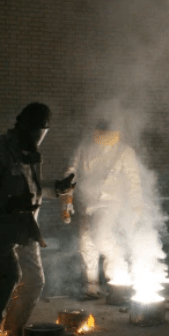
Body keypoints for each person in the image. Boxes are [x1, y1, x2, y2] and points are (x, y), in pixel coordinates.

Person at [0, 103, 76, 336]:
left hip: (25, 227)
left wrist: (57, 189)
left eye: (42, 133)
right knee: (9, 272)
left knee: (36, 280)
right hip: (0, 227)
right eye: (35, 132)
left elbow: (33, 191)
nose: (38, 139)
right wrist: (9, 202)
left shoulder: (29, 156)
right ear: (23, 127)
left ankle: (14, 330)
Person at [63, 119, 143, 299]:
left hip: (111, 204)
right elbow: (71, 172)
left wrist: (136, 206)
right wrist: (66, 196)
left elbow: (133, 181)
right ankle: (91, 286)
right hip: (87, 203)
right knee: (86, 245)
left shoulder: (124, 151)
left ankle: (116, 281)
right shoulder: (85, 148)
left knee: (102, 237)